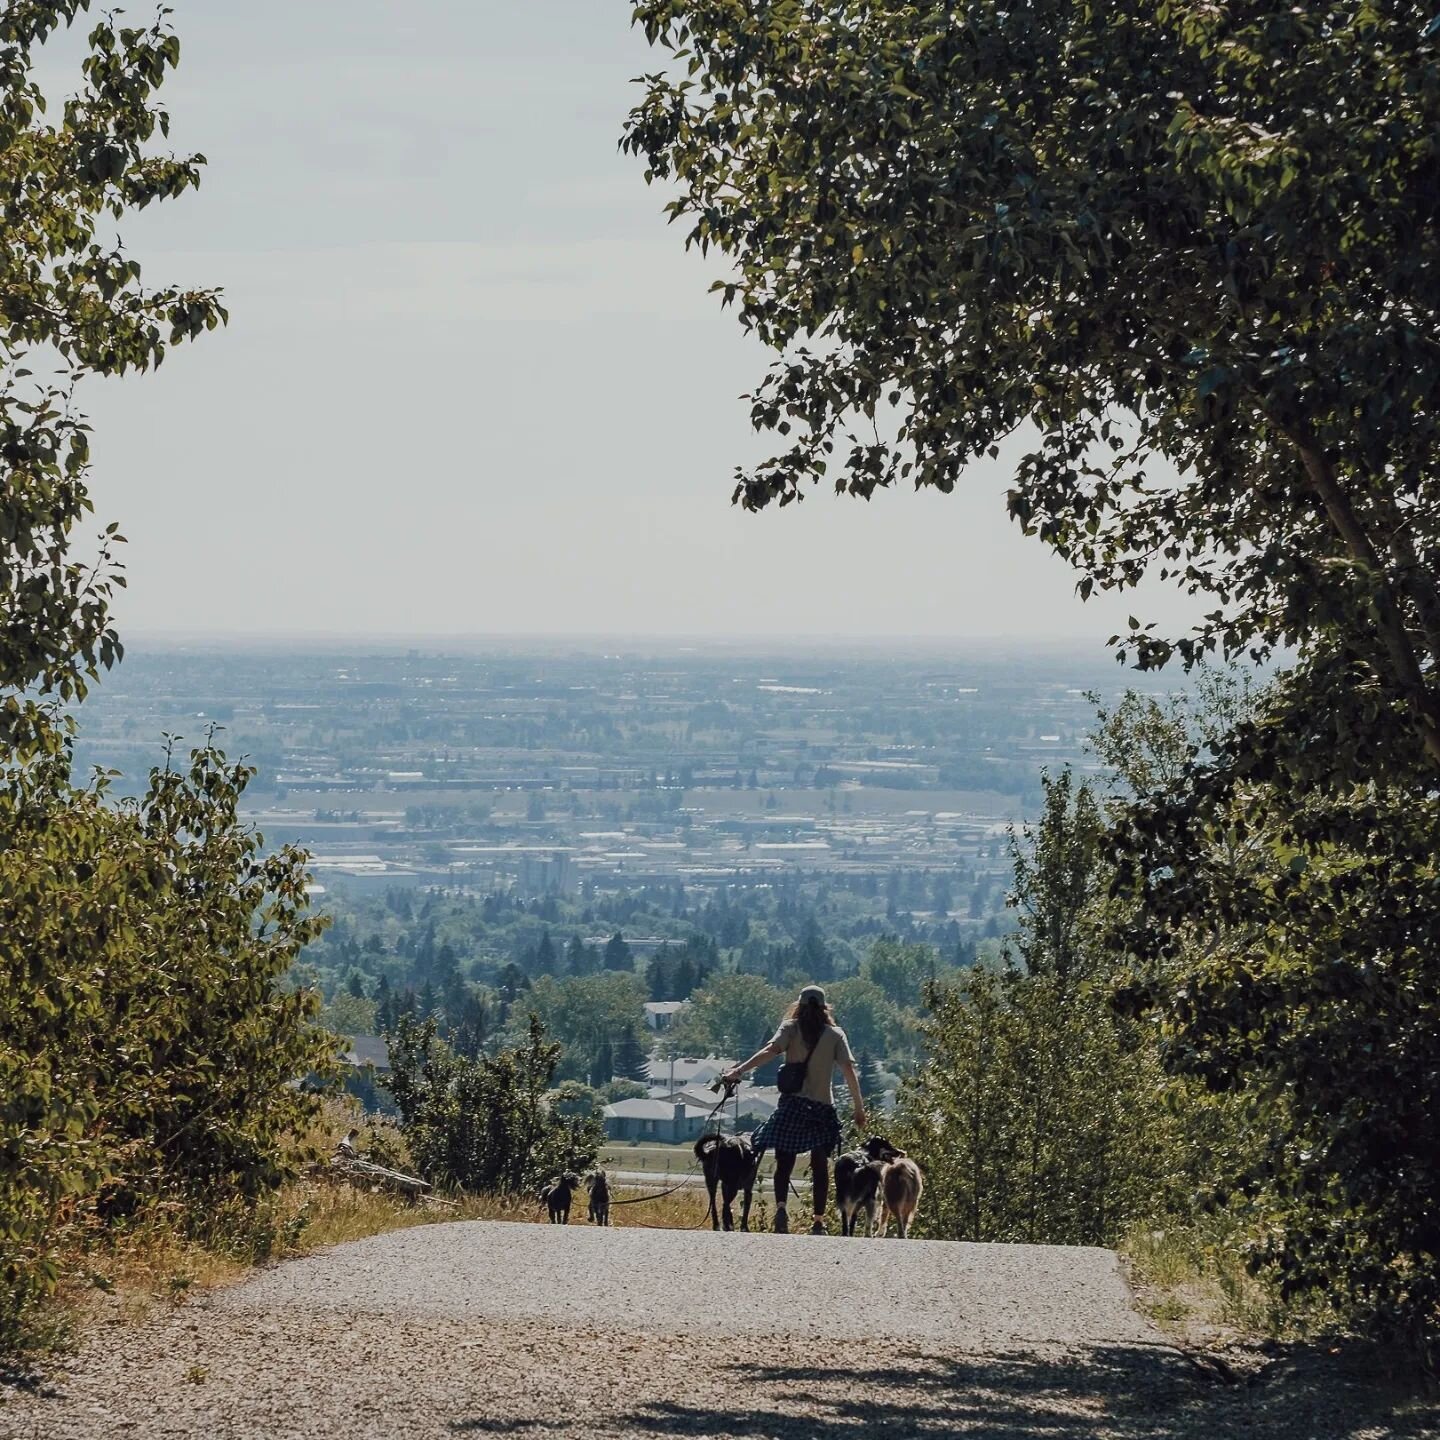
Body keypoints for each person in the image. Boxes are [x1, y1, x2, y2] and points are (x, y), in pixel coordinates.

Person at [721, 984, 867, 1235]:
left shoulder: (789, 1028)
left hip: (792, 1105)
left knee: (784, 1161)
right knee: (820, 1166)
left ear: (798, 1006)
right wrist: (858, 1107)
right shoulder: (835, 1035)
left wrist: (738, 1071)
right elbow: (848, 1071)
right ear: (824, 1008)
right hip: (822, 1109)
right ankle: (818, 1222)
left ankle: (780, 1208)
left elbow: (769, 1051)